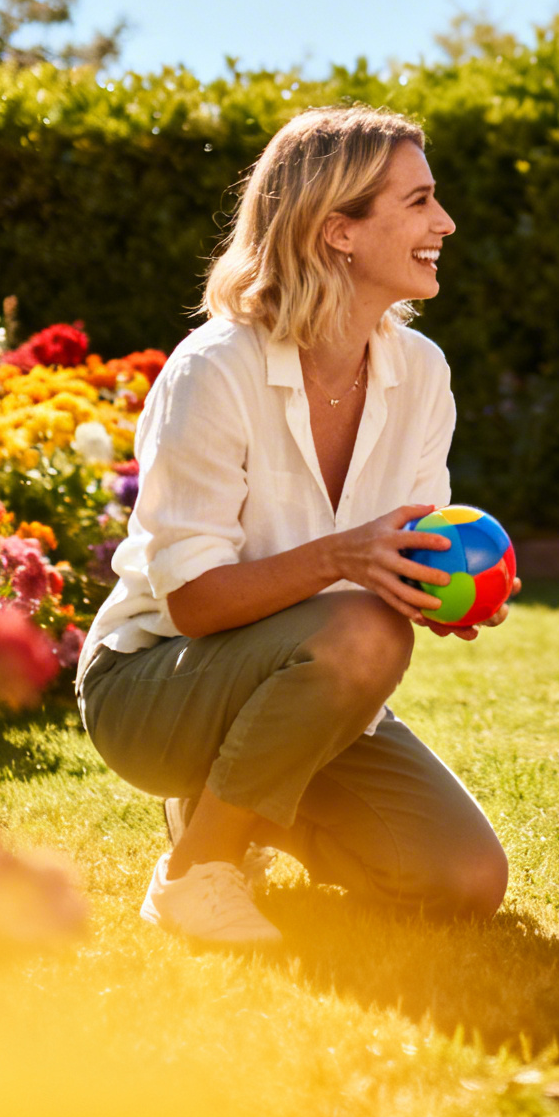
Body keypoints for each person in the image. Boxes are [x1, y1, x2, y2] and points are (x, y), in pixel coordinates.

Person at [77, 105, 512, 947]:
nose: (445, 223)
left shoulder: (421, 371)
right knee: (361, 629)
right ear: (337, 229)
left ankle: (236, 800)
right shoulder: (216, 370)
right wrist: (345, 558)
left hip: (317, 690)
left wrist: (446, 594)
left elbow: (409, 551)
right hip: (153, 684)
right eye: (419, 202)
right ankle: (196, 871)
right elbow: (196, 604)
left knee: (463, 881)